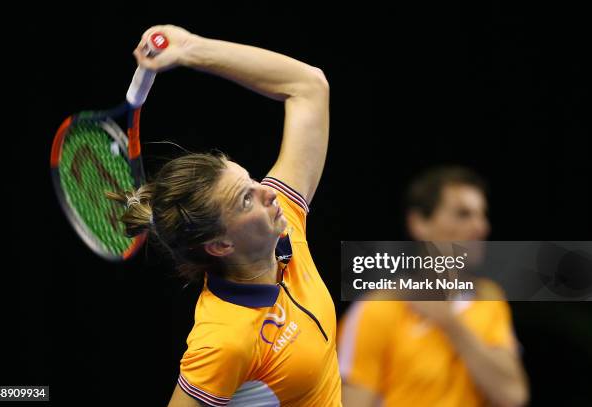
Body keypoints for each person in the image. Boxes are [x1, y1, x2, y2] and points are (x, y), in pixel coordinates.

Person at [108, 25, 340, 406]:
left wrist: (191, 48)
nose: (268, 192)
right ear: (220, 244)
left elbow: (308, 86)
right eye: (245, 200)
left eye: (249, 179)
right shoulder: (223, 339)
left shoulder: (284, 231)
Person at [338, 166, 529, 407]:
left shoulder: (489, 298)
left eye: (482, 215)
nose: (481, 227)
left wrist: (451, 323)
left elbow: (513, 396)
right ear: (418, 223)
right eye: (463, 214)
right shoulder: (376, 309)